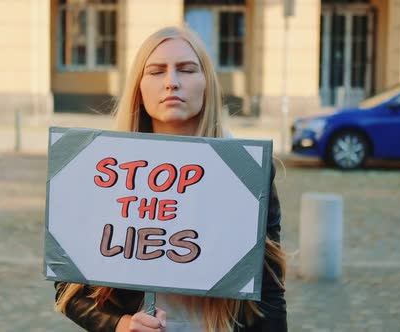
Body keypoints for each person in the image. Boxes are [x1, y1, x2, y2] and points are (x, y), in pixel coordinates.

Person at [54, 26, 287, 332]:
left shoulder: (247, 173)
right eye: (156, 71)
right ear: (138, 86)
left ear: (207, 83)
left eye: (187, 69)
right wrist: (120, 325)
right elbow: (67, 289)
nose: (172, 82)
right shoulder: (101, 168)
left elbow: (269, 291)